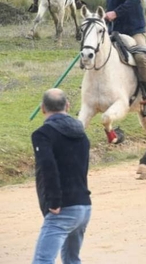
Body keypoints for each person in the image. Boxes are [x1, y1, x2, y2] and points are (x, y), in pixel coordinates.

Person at [31, 88, 92, 264]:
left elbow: (48, 168)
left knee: (42, 260)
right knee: (72, 260)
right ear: (67, 105)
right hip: (84, 206)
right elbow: (82, 168)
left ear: (43, 108)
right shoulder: (82, 134)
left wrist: (55, 202)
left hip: (63, 209)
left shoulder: (42, 135)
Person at [102, 0, 146, 117]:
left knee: (141, 57)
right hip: (117, 33)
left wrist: (115, 13)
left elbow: (135, 0)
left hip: (133, 32)